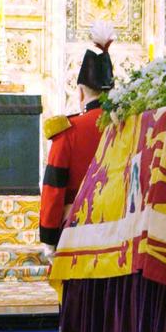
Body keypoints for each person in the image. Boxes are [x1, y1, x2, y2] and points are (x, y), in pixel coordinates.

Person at [39, 22, 115, 247]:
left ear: (81, 91)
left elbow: (54, 190)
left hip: (77, 229)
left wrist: (49, 239)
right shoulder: (130, 126)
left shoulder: (68, 132)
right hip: (120, 228)